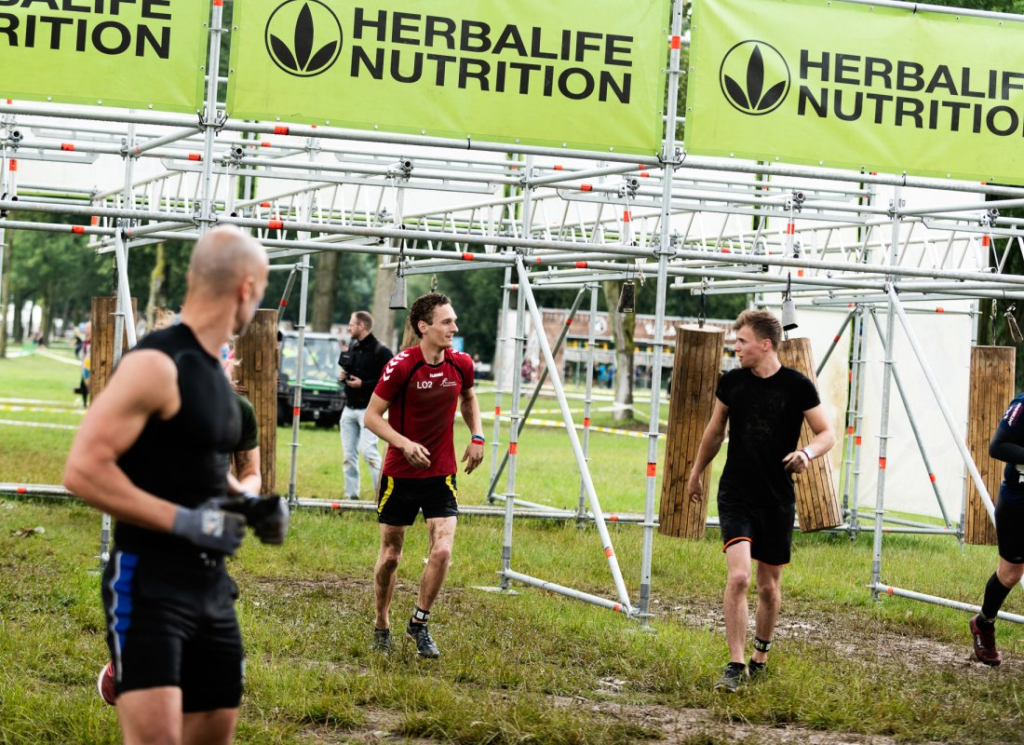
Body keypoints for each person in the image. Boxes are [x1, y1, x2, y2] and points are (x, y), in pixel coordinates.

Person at [62, 226, 289, 745]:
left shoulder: (212, 370)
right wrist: (184, 521)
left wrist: (251, 503)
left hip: (212, 586)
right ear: (247, 289)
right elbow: (82, 469)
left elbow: (204, 471)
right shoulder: (156, 363)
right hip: (149, 583)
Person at [687, 310, 834, 692]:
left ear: (765, 344)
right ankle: (735, 665)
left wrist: (807, 455)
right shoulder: (732, 383)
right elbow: (715, 431)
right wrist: (695, 473)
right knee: (739, 577)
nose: (736, 348)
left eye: (742, 342)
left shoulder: (797, 386)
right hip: (736, 493)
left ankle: (760, 656)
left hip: (777, 499)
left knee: (768, 588)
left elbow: (826, 433)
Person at [364, 292, 484, 658]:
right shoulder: (402, 366)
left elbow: (468, 399)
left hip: (441, 475)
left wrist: (477, 435)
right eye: (447, 322)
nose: (454, 327)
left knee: (443, 550)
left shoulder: (461, 364)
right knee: (391, 557)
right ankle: (381, 623)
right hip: (400, 475)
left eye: (454, 320)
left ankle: (419, 622)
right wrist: (404, 444)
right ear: (424, 327)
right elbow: (371, 417)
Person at [968, 394, 1024, 666]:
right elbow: (997, 446)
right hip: (1018, 503)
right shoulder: (1022, 405)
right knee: (1011, 573)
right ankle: (983, 623)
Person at [338, 311, 392, 499]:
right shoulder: (353, 348)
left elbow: (390, 381)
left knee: (370, 453)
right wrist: (344, 377)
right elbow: (350, 372)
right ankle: (351, 496)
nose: (349, 327)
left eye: (351, 324)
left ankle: (382, 495)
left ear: (362, 326)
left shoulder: (382, 352)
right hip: (348, 409)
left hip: (370, 412)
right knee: (348, 456)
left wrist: (364, 384)